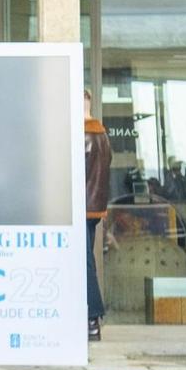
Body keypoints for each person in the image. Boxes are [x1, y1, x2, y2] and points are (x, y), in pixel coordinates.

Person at [83, 90, 110, 341]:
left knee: (83, 262)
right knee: (85, 258)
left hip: (79, 207)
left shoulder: (83, 134)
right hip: (94, 207)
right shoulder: (102, 135)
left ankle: (92, 317)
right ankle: (90, 317)